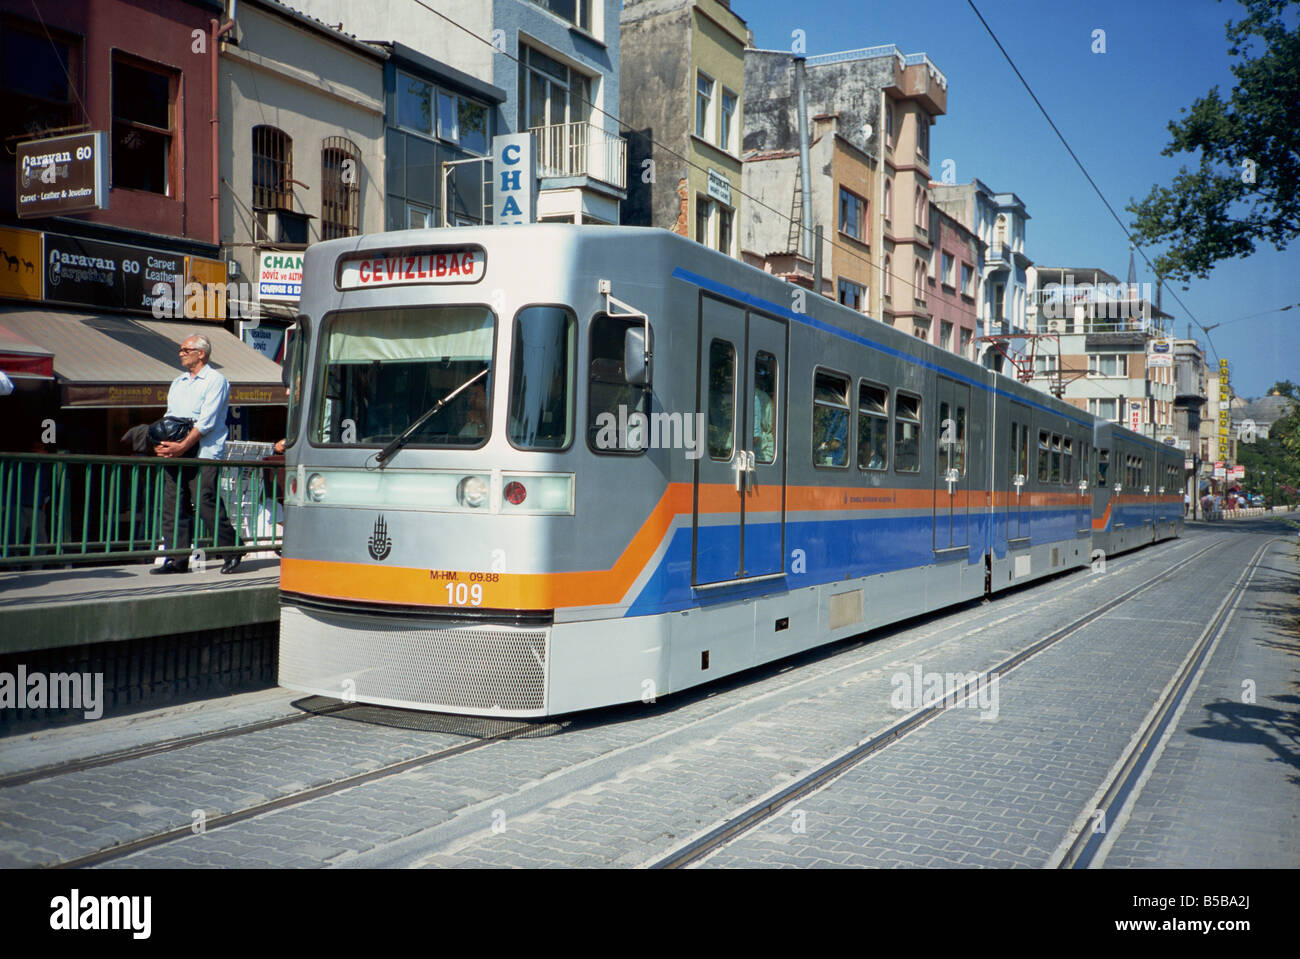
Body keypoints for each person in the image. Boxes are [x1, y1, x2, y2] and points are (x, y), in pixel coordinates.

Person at [152, 334, 241, 574]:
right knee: (173, 504)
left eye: (185, 349)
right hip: (178, 450)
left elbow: (208, 421)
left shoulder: (215, 380)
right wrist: (164, 443)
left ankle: (232, 549)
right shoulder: (178, 382)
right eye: (180, 349)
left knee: (205, 503)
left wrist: (182, 446)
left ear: (201, 353)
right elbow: (169, 418)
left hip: (204, 451)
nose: (180, 353)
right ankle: (177, 559)